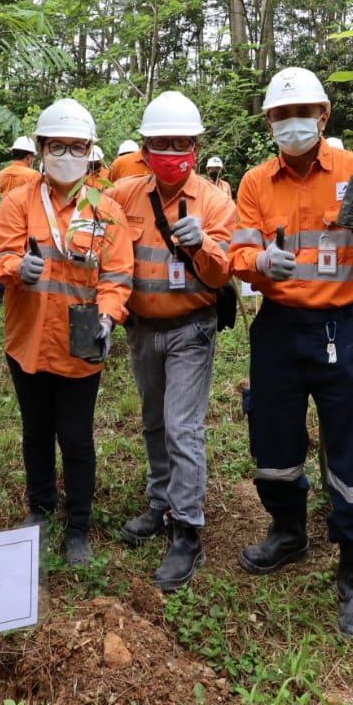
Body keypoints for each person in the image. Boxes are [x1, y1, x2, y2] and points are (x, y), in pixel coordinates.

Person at [227, 66, 353, 638]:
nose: (291, 123)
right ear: (268, 122)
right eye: (280, 115)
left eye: (301, 113)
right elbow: (237, 247)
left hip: (342, 326)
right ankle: (288, 529)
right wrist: (258, 262)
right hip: (279, 326)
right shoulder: (255, 182)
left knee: (352, 446)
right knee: (274, 440)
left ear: (324, 117)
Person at [0, 99, 133, 566]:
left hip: (81, 343)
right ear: (40, 148)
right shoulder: (17, 202)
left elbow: (117, 277)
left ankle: (78, 528)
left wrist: (109, 316)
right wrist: (16, 267)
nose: (66, 155)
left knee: (76, 437)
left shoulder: (106, 209)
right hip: (28, 337)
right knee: (36, 431)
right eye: (57, 146)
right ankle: (39, 509)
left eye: (76, 147)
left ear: (90, 152)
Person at [105, 91, 237, 591]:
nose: (170, 151)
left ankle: (187, 527)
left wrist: (201, 243)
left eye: (179, 142)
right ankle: (159, 502)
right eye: (160, 142)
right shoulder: (123, 195)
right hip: (141, 328)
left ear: (195, 147)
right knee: (154, 421)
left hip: (191, 328)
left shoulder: (216, 201)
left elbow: (224, 269)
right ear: (144, 147)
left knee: (182, 426)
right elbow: (91, 218)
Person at [0, 135, 40, 308]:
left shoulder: (2, 174)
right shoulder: (33, 175)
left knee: (3, 256)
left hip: (3, 220)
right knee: (21, 259)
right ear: (28, 157)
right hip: (25, 220)